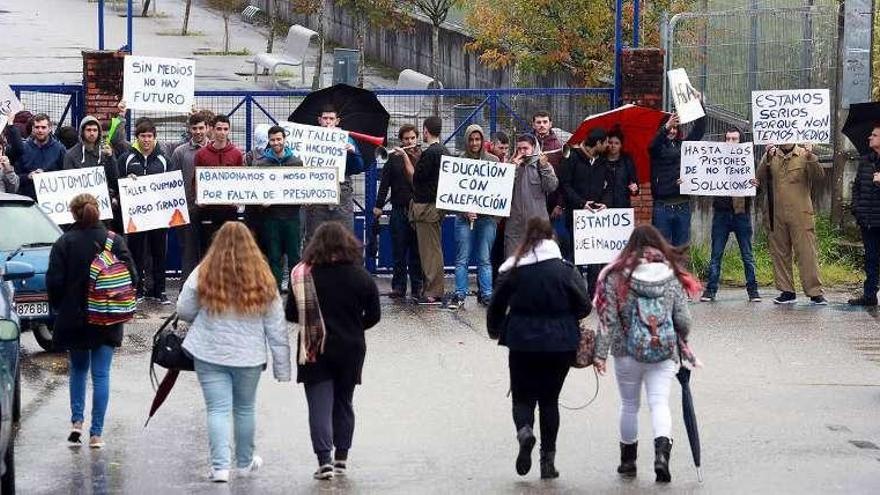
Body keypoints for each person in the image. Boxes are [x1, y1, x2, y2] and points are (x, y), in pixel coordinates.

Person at [177, 221, 291, 483]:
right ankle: (244, 463)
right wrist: (282, 368)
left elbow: (184, 309)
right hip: (249, 355)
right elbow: (276, 324)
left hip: (209, 351)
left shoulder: (205, 269)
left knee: (217, 410)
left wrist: (204, 314)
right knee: (244, 408)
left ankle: (219, 468)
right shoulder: (262, 274)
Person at [593, 224, 700, 483]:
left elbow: (607, 318)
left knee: (629, 405)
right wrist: (682, 341)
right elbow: (683, 319)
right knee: (659, 403)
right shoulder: (671, 275)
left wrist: (599, 354)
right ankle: (661, 456)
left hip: (626, 351)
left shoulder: (616, 275)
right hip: (662, 351)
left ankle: (628, 461)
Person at [487, 217, 590, 479]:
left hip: (522, 341)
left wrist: (495, 329)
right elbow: (584, 305)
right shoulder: (565, 270)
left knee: (523, 397)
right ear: (551, 238)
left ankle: (524, 431)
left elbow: (496, 304)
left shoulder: (514, 269)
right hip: (560, 343)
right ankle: (548, 463)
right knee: (549, 401)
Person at [285, 222, 381, 481]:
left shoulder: (303, 275)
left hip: (314, 348)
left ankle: (323, 461)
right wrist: (354, 326)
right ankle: (341, 459)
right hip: (351, 348)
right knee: (344, 402)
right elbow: (374, 315)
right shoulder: (360, 276)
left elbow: (292, 314)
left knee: (319, 405)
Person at [46, 193, 137, 449]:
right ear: (98, 211)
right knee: (101, 375)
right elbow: (133, 277)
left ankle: (76, 421)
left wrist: (60, 308)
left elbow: (54, 283)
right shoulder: (113, 241)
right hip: (107, 316)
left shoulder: (64, 242)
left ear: (73, 214)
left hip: (75, 317)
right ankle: (96, 434)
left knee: (77, 370)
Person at [755, 142, 826, 305]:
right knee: (779, 252)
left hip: (800, 213)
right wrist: (767, 157)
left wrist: (811, 156)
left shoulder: (804, 153)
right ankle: (787, 291)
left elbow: (819, 176)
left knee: (806, 252)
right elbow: (759, 179)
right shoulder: (771, 155)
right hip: (775, 213)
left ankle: (814, 291)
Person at [701, 127, 761, 303]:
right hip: (721, 214)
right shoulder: (716, 159)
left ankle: (753, 291)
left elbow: (760, 188)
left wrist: (756, 185)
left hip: (741, 213)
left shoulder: (750, 161)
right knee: (716, 255)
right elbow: (703, 176)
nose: (731, 142)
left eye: (734, 139)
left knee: (747, 255)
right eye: (728, 139)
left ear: (741, 141)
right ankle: (710, 291)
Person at [118, 119, 175, 304]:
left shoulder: (164, 160)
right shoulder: (126, 159)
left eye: (150, 136)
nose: (146, 140)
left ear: (155, 138)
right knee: (135, 254)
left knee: (159, 253)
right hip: (136, 216)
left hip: (158, 216)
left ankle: (160, 291)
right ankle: (137, 291)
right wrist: (127, 180)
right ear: (137, 138)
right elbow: (118, 183)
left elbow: (171, 186)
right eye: (143, 136)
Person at [448, 124, 499, 309]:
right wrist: (464, 211)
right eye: (471, 139)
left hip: (486, 219)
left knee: (484, 259)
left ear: (483, 140)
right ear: (466, 140)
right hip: (463, 219)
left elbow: (497, 192)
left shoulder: (493, 161)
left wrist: (487, 211)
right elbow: (452, 194)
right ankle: (460, 293)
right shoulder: (458, 161)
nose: (474, 142)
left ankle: (487, 294)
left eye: (478, 139)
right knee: (462, 259)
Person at [250, 125, 304, 290]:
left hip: (293, 216)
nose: (275, 143)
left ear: (284, 140)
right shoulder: (261, 164)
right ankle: (275, 289)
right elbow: (256, 189)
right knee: (274, 255)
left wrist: (306, 197)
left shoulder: (296, 162)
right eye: (272, 140)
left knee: (294, 255)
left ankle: (295, 288)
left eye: (278, 139)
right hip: (271, 217)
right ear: (269, 141)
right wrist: (261, 202)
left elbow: (303, 185)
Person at [401, 116, 449, 305]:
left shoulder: (431, 153)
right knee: (432, 250)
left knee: (430, 252)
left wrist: (405, 156)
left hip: (426, 209)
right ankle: (433, 288)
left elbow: (415, 177)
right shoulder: (444, 150)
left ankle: (433, 291)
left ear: (426, 131)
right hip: (435, 207)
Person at [301, 105, 365, 243]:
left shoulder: (347, 139)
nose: (328, 122)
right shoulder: (310, 139)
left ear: (337, 121)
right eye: (325, 118)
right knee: (314, 238)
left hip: (341, 194)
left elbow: (358, 168)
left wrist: (353, 152)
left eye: (331, 118)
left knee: (345, 237)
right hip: (317, 195)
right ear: (319, 120)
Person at [373, 124, 422, 300]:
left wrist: (407, 157)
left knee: (417, 252)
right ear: (401, 140)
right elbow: (385, 183)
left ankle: (417, 287)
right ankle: (399, 286)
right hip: (398, 210)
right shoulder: (393, 159)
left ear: (417, 139)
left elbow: (419, 179)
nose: (409, 141)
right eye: (406, 139)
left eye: (412, 138)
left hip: (416, 211)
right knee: (399, 252)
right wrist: (378, 206)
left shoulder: (421, 157)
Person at [560, 128, 609, 296]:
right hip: (576, 215)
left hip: (596, 217)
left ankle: (593, 293)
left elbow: (608, 185)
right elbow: (565, 185)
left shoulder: (603, 161)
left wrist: (604, 203)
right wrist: (581, 203)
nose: (608, 145)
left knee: (595, 256)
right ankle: (577, 294)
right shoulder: (572, 157)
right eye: (606, 142)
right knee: (576, 256)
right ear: (597, 143)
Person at [649, 110, 706, 246]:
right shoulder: (657, 147)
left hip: (683, 206)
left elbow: (699, 130)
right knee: (661, 249)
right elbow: (653, 146)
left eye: (675, 127)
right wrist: (666, 126)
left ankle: (679, 269)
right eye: (670, 127)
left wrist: (700, 107)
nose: (672, 131)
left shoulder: (684, 146)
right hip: (662, 207)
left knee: (681, 249)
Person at [193, 114, 244, 252]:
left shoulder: (237, 154)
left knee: (229, 249)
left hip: (229, 209)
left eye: (225, 129)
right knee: (208, 249)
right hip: (208, 209)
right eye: (219, 129)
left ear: (229, 130)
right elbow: (196, 179)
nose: (222, 132)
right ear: (212, 130)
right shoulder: (201, 154)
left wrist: (238, 199)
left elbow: (240, 180)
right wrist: (200, 197)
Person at [171, 112, 211, 282]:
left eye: (201, 127)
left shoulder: (214, 149)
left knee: (209, 252)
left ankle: (209, 291)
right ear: (189, 129)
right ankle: (185, 292)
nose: (198, 131)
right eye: (194, 128)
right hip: (187, 210)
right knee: (188, 253)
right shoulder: (180, 152)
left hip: (210, 209)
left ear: (208, 128)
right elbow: (173, 181)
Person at [504, 135, 559, 257]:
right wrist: (513, 170)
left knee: (539, 263)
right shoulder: (511, 166)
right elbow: (502, 190)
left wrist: (545, 167)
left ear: (533, 148)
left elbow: (551, 187)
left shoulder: (543, 165)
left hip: (538, 224)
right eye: (519, 149)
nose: (522, 152)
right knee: (513, 264)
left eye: (526, 148)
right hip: (515, 226)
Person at [849, 123, 880, 307]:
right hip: (868, 220)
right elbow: (857, 187)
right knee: (870, 258)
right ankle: (869, 295)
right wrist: (857, 209)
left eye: (874, 135)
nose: (870, 137)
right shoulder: (865, 161)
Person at [531, 111, 568, 258]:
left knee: (553, 241)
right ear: (533, 124)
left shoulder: (558, 145)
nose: (542, 125)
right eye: (538, 122)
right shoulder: (527, 143)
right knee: (533, 241)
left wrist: (560, 204)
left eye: (545, 122)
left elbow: (564, 177)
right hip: (533, 200)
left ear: (550, 124)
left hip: (553, 202)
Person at [5, 112, 66, 199]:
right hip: (28, 200)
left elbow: (65, 174)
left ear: (49, 128)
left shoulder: (59, 149)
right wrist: (28, 176)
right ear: (33, 128)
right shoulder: (23, 148)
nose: (40, 130)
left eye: (43, 127)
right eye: (37, 127)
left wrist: (47, 176)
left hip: (51, 200)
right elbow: (14, 177)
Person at [603, 128, 639, 208]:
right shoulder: (601, 160)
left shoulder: (627, 160)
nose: (613, 146)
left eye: (616, 143)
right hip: (604, 206)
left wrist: (634, 189)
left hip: (623, 205)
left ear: (621, 145)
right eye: (610, 142)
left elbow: (634, 183)